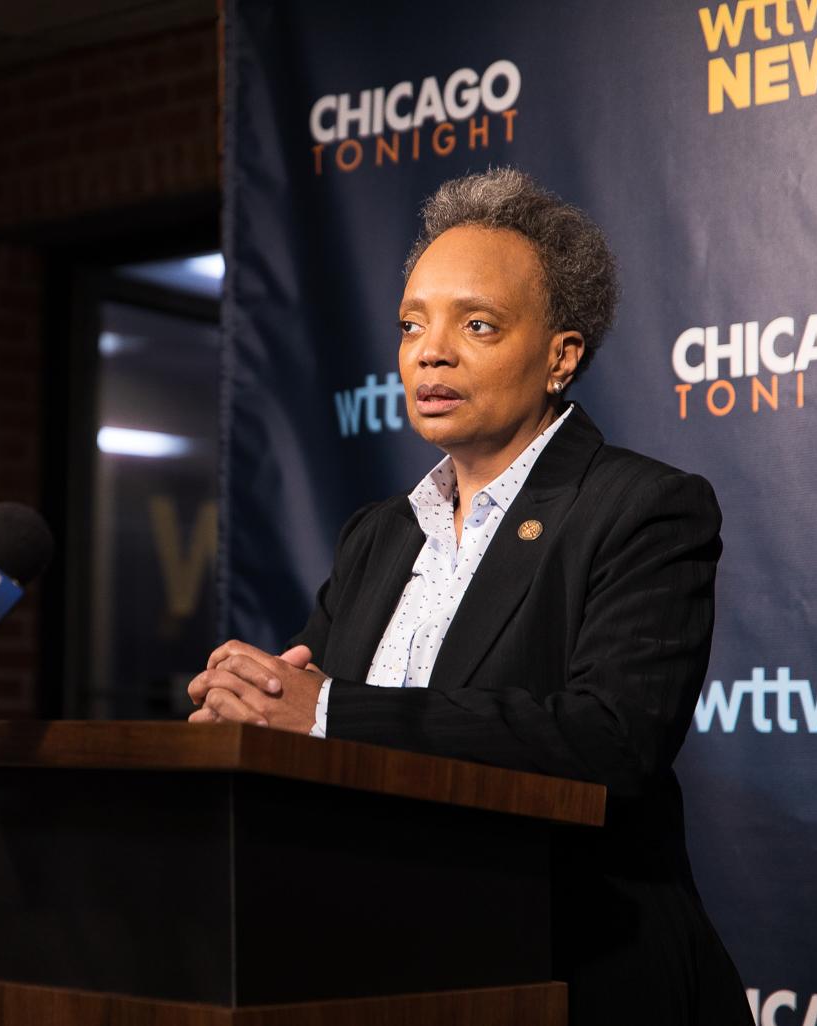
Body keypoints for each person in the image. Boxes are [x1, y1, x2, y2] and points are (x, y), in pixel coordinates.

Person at [189, 168, 753, 1025]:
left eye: (475, 325)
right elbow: (309, 714)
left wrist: (328, 713)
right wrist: (255, 709)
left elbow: (612, 738)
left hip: (574, 971)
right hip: (377, 967)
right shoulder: (378, 533)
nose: (430, 351)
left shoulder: (643, 508)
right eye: (412, 325)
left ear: (561, 356)